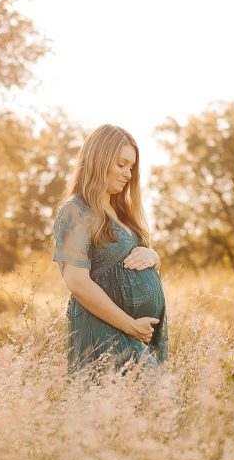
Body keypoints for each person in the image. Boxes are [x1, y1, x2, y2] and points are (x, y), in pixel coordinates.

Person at [51, 124, 168, 377]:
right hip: (104, 331)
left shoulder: (123, 213)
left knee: (155, 411)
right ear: (99, 160)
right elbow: (77, 282)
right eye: (121, 164)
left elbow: (133, 259)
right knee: (139, 408)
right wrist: (130, 326)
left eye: (131, 167)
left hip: (134, 334)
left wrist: (153, 257)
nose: (128, 173)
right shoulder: (75, 211)